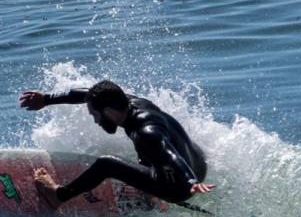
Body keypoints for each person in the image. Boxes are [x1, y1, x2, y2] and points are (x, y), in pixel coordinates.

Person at [18, 79, 214, 206]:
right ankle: (150, 192)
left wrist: (190, 182)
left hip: (181, 186)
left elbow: (170, 155)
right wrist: (47, 99)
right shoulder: (131, 103)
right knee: (147, 151)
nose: (95, 120)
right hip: (198, 163)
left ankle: (58, 195)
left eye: (94, 115)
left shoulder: (146, 132)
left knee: (107, 163)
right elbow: (88, 94)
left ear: (108, 112)